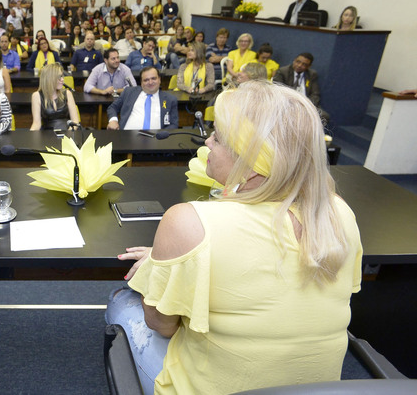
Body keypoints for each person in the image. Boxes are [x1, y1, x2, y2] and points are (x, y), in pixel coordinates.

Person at [106, 80, 361, 394]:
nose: (208, 141)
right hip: (315, 389)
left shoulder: (189, 223)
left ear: (252, 162)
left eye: (218, 137)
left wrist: (157, 265)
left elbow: (162, 325)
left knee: (121, 301)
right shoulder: (340, 213)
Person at [106, 66, 178, 130]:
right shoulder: (129, 92)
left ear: (159, 79)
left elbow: (173, 124)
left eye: (153, 78)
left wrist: (161, 135)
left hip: (155, 138)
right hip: (127, 136)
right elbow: (113, 107)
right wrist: (113, 120)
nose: (150, 82)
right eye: (146, 80)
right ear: (141, 82)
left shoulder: (170, 99)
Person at [30, 63, 80, 131]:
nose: (62, 79)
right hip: (48, 134)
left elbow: (75, 121)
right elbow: (36, 124)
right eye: (59, 77)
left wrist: (68, 134)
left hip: (68, 131)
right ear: (49, 79)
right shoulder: (36, 96)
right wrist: (30, 135)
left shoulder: (67, 93)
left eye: (62, 76)